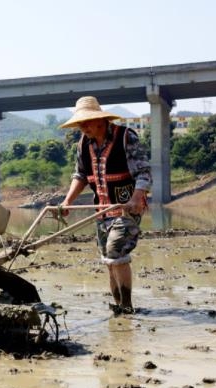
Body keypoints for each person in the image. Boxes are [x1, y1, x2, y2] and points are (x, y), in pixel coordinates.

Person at [58, 96, 152, 315]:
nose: (83, 127)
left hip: (126, 208)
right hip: (101, 211)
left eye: (87, 122)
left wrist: (137, 197)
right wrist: (67, 201)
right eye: (80, 123)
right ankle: (118, 305)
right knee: (109, 261)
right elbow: (80, 175)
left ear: (101, 120)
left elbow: (143, 172)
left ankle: (127, 306)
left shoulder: (125, 137)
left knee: (115, 250)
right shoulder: (83, 144)